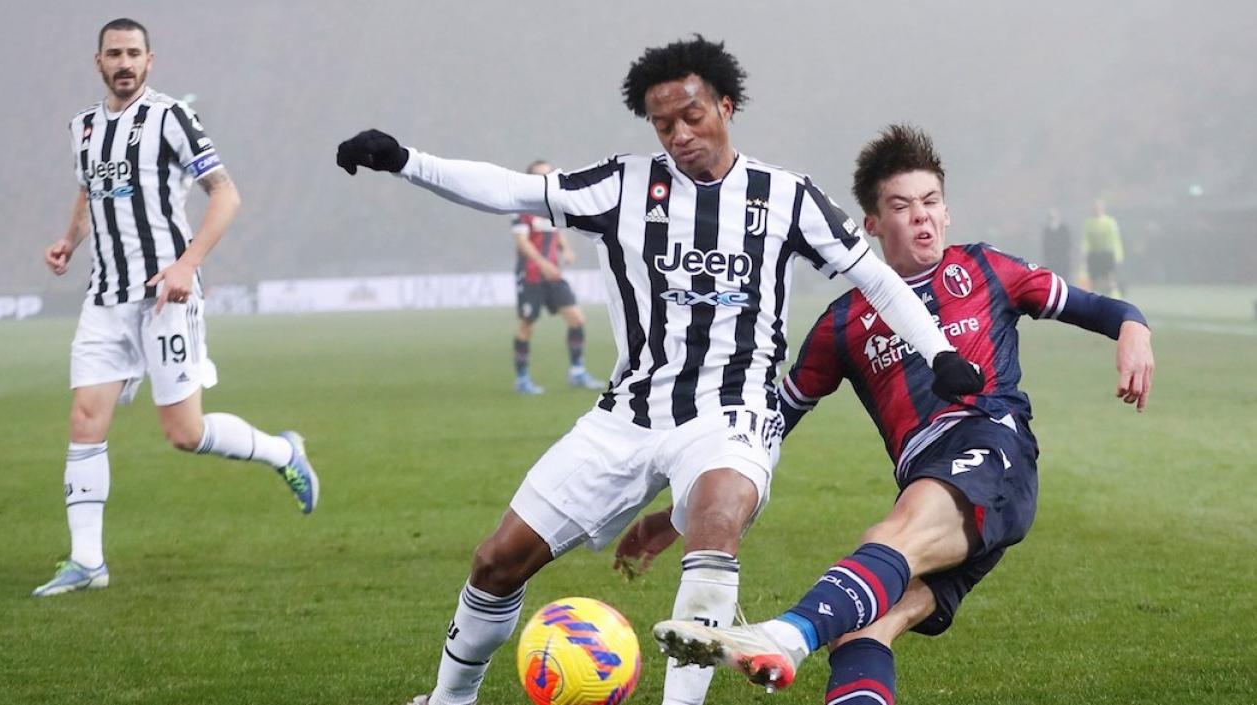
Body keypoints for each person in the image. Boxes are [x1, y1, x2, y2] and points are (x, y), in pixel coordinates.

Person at [336, 38, 982, 705]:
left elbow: (875, 277)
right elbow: (514, 191)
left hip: (732, 413)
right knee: (497, 561)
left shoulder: (785, 198)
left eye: (692, 115)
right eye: (662, 122)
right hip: (628, 416)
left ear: (726, 106)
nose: (679, 134)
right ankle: (449, 697)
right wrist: (406, 161)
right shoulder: (623, 185)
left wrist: (938, 353)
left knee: (719, 511)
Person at [646, 124, 1155, 701]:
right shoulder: (844, 321)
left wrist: (1133, 327)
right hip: (933, 478)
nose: (922, 217)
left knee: (891, 536)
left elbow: (1098, 306)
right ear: (871, 224)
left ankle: (786, 635)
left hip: (991, 449)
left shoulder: (987, 270)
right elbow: (768, 428)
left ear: (947, 210)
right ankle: (810, 639)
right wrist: (681, 513)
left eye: (931, 202)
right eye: (902, 206)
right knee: (861, 629)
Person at [35, 18, 319, 597]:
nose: (124, 62)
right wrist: (70, 238)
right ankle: (87, 561)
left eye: (133, 53)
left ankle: (282, 451)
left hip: (166, 297)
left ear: (149, 60)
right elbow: (91, 190)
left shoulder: (169, 118)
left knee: (184, 433)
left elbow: (225, 193)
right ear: (98, 62)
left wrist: (187, 264)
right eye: (114, 53)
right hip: (104, 297)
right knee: (85, 421)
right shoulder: (83, 128)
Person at [511, 159, 605, 394]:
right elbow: (522, 243)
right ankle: (522, 379)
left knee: (577, 319)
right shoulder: (522, 208)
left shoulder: (552, 205)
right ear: (530, 178)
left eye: (548, 174)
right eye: (540, 174)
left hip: (553, 275)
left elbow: (556, 233)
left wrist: (566, 249)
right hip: (532, 276)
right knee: (526, 326)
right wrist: (543, 264)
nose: (545, 178)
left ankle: (577, 372)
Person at [1081, 198, 1124, 297]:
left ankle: (1116, 300)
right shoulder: (1088, 222)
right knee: (1094, 281)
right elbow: (1085, 240)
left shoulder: (1110, 222)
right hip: (1094, 255)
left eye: (1099, 207)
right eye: (1095, 208)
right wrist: (1083, 253)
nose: (1097, 210)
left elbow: (1115, 240)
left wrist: (1118, 255)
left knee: (1110, 279)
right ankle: (1097, 303)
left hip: (1107, 254)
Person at [1041, 207, 1071, 279]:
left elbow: (1068, 244)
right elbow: (1045, 246)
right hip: (1051, 259)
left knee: (1064, 277)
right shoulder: (1047, 230)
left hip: (1063, 259)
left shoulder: (1064, 229)